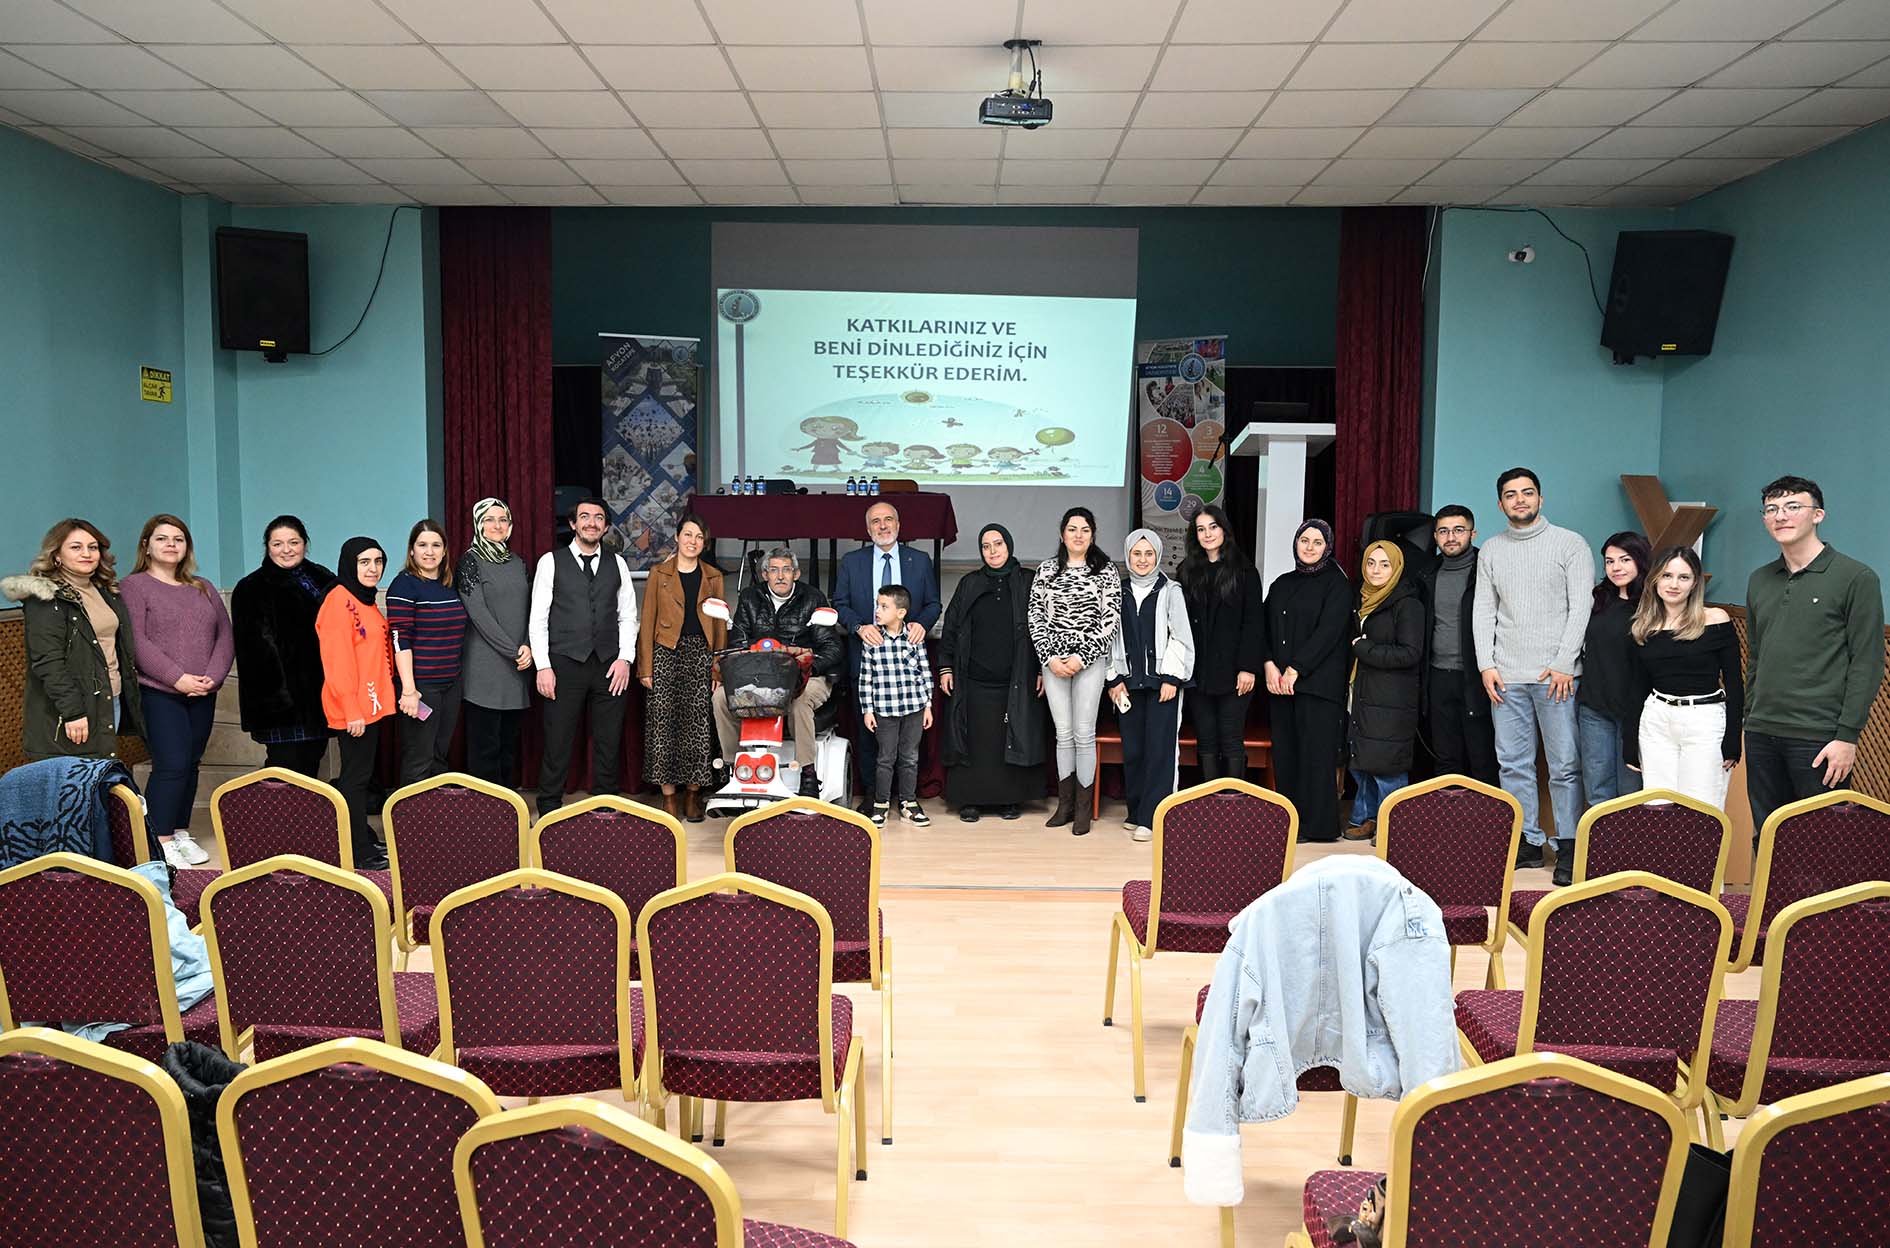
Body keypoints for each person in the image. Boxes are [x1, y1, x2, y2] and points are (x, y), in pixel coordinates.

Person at [1743, 475, 1884, 839]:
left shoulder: (1856, 577)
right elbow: (1756, 657)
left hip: (1819, 737)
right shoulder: (1760, 579)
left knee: (1821, 844)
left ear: (1818, 514)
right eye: (1771, 509)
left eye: (1793, 506)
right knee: (1768, 838)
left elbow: (1866, 662)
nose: (1780, 516)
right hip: (1761, 731)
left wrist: (1847, 736)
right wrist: (1749, 716)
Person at [1472, 468, 1593, 873]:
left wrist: (1564, 662)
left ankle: (1569, 845)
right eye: (1511, 494)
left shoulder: (1570, 544)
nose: (1519, 500)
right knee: (1513, 764)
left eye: (1527, 493)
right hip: (1506, 676)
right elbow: (1484, 610)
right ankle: (1527, 841)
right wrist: (1486, 664)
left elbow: (1581, 606)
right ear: (1500, 504)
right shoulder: (1491, 550)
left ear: (1541, 499)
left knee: (1564, 766)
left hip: (1557, 677)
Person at [120, 514, 233, 868]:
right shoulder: (134, 586)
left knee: (191, 763)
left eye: (178, 539)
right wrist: (177, 678)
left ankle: (180, 832)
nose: (170, 544)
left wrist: (212, 677)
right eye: (162, 538)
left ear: (187, 547)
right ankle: (159, 840)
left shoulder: (203, 587)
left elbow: (225, 635)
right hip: (158, 691)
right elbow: (136, 641)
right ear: (146, 546)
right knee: (171, 763)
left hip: (203, 691)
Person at [6, 518, 146, 767]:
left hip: (108, 699)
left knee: (99, 778)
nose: (87, 553)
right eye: (76, 547)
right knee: (76, 784)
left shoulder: (104, 591)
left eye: (93, 547)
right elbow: (48, 661)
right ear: (57, 555)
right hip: (72, 709)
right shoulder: (46, 597)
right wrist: (73, 711)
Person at [529, 497, 638, 816]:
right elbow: (538, 619)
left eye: (599, 518)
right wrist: (543, 666)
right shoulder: (550, 562)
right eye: (585, 516)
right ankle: (549, 808)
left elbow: (628, 616)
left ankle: (605, 807)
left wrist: (625, 659)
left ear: (606, 526)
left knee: (608, 740)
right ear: (573, 523)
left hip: (609, 665)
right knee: (558, 740)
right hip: (564, 663)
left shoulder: (618, 564)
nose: (592, 522)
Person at [833, 501, 940, 808]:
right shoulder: (852, 562)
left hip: (908, 667)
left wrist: (922, 623)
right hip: (868, 662)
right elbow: (840, 603)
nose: (883, 526)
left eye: (888, 519)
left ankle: (906, 797)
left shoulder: (919, 560)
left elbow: (934, 603)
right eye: (876, 521)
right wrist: (858, 627)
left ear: (898, 525)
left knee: (908, 740)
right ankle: (873, 796)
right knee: (870, 733)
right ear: (868, 529)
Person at [713, 546, 844, 798]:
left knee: (799, 702)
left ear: (796, 573)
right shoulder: (750, 598)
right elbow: (738, 643)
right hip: (759, 676)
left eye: (786, 570)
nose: (780, 576)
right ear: (765, 575)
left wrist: (807, 665)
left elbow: (832, 647)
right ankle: (733, 768)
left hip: (807, 676)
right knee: (720, 698)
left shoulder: (812, 598)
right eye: (774, 570)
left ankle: (808, 773)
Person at [937, 524, 1047, 822]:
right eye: (986, 546)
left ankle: (1010, 800)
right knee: (975, 742)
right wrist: (946, 666)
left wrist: (1041, 669)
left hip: (1016, 680)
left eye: (998, 544)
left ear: (1009, 545)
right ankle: (970, 800)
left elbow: (1043, 628)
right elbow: (951, 626)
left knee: (1009, 740)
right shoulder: (969, 583)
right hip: (973, 681)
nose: (992, 551)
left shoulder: (1027, 581)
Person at [1622, 546, 1743, 813]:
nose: (1674, 584)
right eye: (1667, 576)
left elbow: (1735, 683)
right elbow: (1637, 688)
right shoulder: (1642, 626)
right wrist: (1629, 740)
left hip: (1704, 720)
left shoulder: (1715, 619)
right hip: (1656, 720)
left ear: (1695, 583)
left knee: (1702, 810)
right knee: (1657, 807)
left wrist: (1733, 739)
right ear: (1655, 579)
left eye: (1683, 577)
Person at [1030, 507, 1122, 836]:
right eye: (1072, 529)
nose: (1078, 535)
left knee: (1084, 734)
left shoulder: (1106, 571)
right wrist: (1050, 658)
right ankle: (1064, 806)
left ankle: (1083, 810)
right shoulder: (1046, 570)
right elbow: (1035, 616)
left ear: (1093, 535)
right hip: (1053, 661)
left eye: (1085, 529)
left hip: (1090, 662)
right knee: (1063, 733)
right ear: (1062, 534)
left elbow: (1110, 619)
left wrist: (1082, 657)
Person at [1264, 519, 1352, 843]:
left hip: (1318, 687)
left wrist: (1295, 669)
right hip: (1280, 687)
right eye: (1304, 540)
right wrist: (1269, 665)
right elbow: (1263, 628)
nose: (1310, 547)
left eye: (1317, 542)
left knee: (1316, 758)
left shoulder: (1337, 585)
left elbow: (1329, 633)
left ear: (1328, 547)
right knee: (1286, 756)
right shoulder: (1281, 584)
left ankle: (1318, 827)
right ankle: (1291, 825)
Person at [1106, 530, 1195, 843]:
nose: (1142, 560)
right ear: (1128, 556)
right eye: (1136, 554)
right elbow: (1108, 639)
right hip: (1127, 685)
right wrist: (1113, 679)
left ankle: (1153, 818)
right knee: (1134, 750)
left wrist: (1171, 678)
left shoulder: (1171, 591)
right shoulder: (1117, 591)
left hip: (1162, 685)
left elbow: (1181, 637)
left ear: (1157, 557)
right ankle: (1136, 812)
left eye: (1149, 554)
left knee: (1160, 751)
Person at [231, 515, 335, 777]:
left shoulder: (323, 578)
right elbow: (254, 654)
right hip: (278, 703)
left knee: (311, 766)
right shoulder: (251, 588)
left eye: (294, 542)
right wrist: (279, 701)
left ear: (305, 544)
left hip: (320, 698)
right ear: (267, 547)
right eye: (277, 544)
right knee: (284, 770)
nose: (286, 550)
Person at [638, 513, 725, 822]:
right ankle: (669, 799)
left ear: (704, 543)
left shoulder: (713, 577)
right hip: (665, 652)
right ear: (677, 537)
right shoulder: (659, 573)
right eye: (688, 534)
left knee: (698, 725)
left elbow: (720, 626)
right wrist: (645, 667)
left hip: (701, 654)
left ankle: (692, 795)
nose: (693, 541)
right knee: (663, 726)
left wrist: (717, 668)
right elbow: (647, 619)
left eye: (699, 537)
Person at [314, 537, 393, 870]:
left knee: (361, 777)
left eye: (378, 561)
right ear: (349, 564)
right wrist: (351, 709)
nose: (373, 568)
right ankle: (356, 849)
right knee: (354, 779)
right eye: (364, 562)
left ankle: (362, 837)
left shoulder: (364, 599)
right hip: (354, 708)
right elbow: (338, 661)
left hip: (370, 704)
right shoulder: (338, 600)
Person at [1176, 504, 1266, 782]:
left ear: (1224, 529)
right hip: (1198, 671)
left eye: (1213, 527)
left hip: (1235, 672)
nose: (1207, 534)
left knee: (1230, 736)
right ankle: (1210, 801)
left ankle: (1232, 801)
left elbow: (1254, 623)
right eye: (1201, 529)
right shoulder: (1186, 571)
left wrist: (1248, 667)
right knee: (1205, 738)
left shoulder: (1245, 571)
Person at [1344, 540, 1424, 842]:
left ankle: (1394, 826)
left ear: (1397, 568)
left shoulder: (1408, 604)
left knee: (1386, 764)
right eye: (1371, 563)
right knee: (1363, 759)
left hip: (1392, 698)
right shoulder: (1361, 599)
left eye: (1384, 564)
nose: (1376, 570)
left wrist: (1365, 648)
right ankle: (1365, 817)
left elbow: (1410, 653)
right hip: (1364, 693)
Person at [1413, 506, 1497, 785]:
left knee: (1482, 756)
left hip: (1478, 676)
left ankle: (1486, 813)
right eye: (1444, 531)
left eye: (1458, 530)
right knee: (1445, 756)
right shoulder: (1426, 573)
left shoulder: (1487, 569)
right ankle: (1448, 813)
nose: (1451, 537)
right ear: (1435, 536)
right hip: (1437, 675)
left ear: (1473, 533)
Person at [457, 497, 533, 789]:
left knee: (507, 747)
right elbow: (479, 615)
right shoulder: (469, 562)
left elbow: (530, 610)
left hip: (517, 668)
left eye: (503, 519)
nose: (497, 525)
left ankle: (507, 808)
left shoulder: (518, 563)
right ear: (478, 524)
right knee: (485, 748)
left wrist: (528, 645)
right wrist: (514, 650)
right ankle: (484, 811)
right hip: (485, 669)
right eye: (489, 519)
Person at [386, 519, 468, 786]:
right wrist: (409, 690)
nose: (429, 552)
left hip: (451, 683)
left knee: (439, 755)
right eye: (422, 545)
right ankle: (408, 813)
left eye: (436, 545)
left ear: (444, 551)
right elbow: (400, 639)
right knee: (419, 758)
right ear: (412, 550)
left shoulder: (449, 584)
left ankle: (433, 811)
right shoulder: (403, 585)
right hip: (422, 687)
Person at [1576, 532, 1651, 810]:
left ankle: (1627, 841)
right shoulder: (1597, 599)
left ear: (1640, 560)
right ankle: (1598, 840)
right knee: (1597, 789)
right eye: (1609, 561)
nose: (1616, 567)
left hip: (1636, 711)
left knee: (1631, 791)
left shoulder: (1654, 604)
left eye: (1625, 559)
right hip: (1595, 707)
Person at [857, 584, 934, 827]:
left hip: (914, 707)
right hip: (885, 710)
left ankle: (908, 803)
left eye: (884, 606)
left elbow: (925, 672)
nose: (877, 611)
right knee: (885, 758)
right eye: (877, 606)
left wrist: (928, 705)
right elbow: (866, 678)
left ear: (900, 612)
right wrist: (868, 710)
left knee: (910, 757)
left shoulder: (914, 637)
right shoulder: (873, 641)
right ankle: (881, 804)